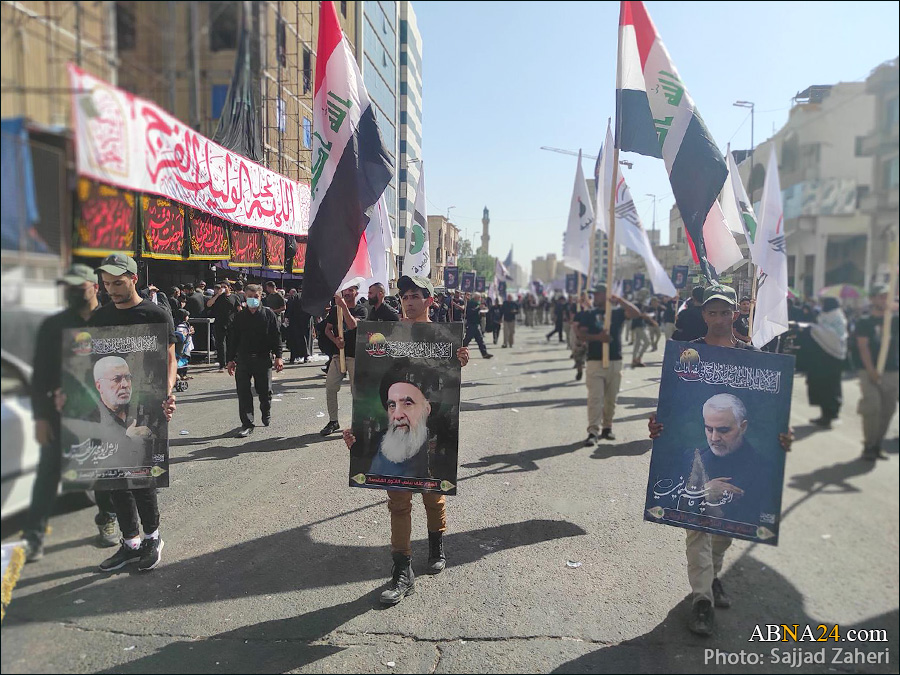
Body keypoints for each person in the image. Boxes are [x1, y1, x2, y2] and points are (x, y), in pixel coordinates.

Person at [648, 283, 792, 636]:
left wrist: (783, 438)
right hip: (697, 467)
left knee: (723, 532)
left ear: (735, 314)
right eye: (711, 311)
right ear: (703, 315)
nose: (717, 317)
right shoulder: (687, 355)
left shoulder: (753, 356)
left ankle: (711, 578)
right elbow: (672, 401)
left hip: (738, 465)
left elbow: (773, 412)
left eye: (724, 311)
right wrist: (657, 425)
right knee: (697, 530)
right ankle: (701, 601)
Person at [343, 275, 470, 606]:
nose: (408, 301)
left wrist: (459, 360)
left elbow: (448, 383)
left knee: (432, 493)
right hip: (397, 432)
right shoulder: (388, 336)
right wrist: (356, 430)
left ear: (428, 300)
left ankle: (436, 543)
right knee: (398, 501)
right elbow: (370, 378)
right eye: (404, 296)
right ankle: (402, 571)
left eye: (415, 296)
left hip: (430, 428)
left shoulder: (442, 338)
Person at [22, 264, 119, 563]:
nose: (73, 292)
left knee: (103, 473)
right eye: (68, 287)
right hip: (59, 412)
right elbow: (40, 376)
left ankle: (107, 520)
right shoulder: (54, 325)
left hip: (101, 412)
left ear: (94, 286)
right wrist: (40, 417)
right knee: (48, 474)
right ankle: (33, 537)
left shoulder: (112, 321)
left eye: (79, 286)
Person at [88, 254, 177, 573]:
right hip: (108, 409)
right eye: (106, 283)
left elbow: (169, 359)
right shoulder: (99, 318)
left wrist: (167, 393)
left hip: (145, 406)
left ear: (133, 279)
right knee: (115, 479)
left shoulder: (154, 313)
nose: (110, 289)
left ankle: (152, 538)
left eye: (117, 282)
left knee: (141, 477)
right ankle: (130, 542)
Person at [576, 285, 641, 444]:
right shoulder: (589, 314)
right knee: (595, 399)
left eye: (598, 294)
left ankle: (607, 427)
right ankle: (593, 430)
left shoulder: (617, 313)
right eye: (595, 294)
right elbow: (580, 334)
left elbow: (636, 313)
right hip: (595, 361)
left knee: (611, 399)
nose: (595, 297)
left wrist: (619, 300)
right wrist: (598, 337)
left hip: (615, 361)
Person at [226, 284, 284, 438]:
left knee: (264, 391)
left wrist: (278, 356)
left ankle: (266, 411)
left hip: (262, 359)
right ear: (245, 297)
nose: (252, 300)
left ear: (261, 297)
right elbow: (234, 339)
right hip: (243, 360)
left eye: (255, 297)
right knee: (243, 392)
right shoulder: (239, 317)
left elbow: (276, 336)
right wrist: (230, 359)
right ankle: (247, 424)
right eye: (249, 297)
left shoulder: (268, 314)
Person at [853, 284, 898, 461]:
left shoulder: (894, 320)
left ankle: (878, 443)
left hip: (891, 371)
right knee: (872, 407)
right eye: (880, 296)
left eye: (887, 296)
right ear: (872, 299)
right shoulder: (865, 321)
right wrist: (871, 371)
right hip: (869, 370)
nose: (884, 300)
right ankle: (869, 444)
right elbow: (863, 347)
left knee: (888, 409)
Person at [320, 282, 369, 436]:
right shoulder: (335, 310)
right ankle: (333, 420)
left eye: (351, 290)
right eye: (345, 290)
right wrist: (335, 340)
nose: (347, 293)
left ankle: (357, 423)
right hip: (338, 355)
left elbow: (353, 325)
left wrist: (343, 307)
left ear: (356, 292)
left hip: (355, 356)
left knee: (356, 391)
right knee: (330, 386)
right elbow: (328, 329)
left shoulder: (362, 309)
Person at [805, 297, 848, 429]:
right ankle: (824, 415)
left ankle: (830, 415)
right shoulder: (824, 316)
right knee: (821, 386)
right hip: (821, 359)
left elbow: (835, 336)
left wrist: (816, 329)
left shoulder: (837, 318)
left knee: (831, 387)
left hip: (833, 359)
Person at [207, 282, 241, 372]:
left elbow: (239, 309)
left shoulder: (234, 297)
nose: (222, 288)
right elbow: (209, 304)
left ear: (229, 288)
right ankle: (222, 364)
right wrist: (217, 294)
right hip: (220, 323)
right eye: (221, 287)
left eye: (224, 287)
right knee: (221, 344)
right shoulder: (218, 297)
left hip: (231, 324)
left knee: (231, 343)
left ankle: (231, 361)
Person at [285, 288, 314, 364]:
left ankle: (293, 357)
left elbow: (288, 309)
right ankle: (306, 356)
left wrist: (287, 317)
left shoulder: (293, 298)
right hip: (306, 321)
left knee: (294, 340)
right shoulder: (309, 298)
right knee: (306, 338)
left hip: (294, 321)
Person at [463, 292, 493, 359]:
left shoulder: (477, 303)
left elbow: (479, 311)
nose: (480, 299)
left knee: (480, 340)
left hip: (477, 323)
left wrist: (483, 310)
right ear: (476, 297)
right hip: (472, 324)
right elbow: (471, 312)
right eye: (479, 297)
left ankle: (484, 354)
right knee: (467, 340)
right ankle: (459, 352)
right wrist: (478, 308)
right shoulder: (471, 303)